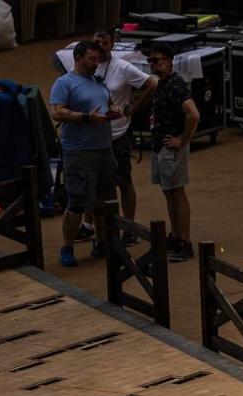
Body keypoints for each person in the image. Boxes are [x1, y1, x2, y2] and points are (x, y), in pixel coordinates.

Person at [74, 29, 157, 248]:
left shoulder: (123, 68)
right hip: (91, 135)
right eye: (96, 42)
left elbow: (152, 84)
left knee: (123, 181)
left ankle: (129, 227)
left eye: (104, 42)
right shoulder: (87, 64)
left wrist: (133, 109)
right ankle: (88, 224)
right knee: (92, 182)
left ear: (112, 45)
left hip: (117, 135)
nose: (99, 46)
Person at [49, 40, 119, 267]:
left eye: (98, 59)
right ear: (78, 58)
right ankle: (67, 247)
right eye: (91, 59)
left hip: (103, 150)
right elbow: (57, 113)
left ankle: (100, 242)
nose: (95, 63)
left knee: (102, 201)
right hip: (79, 152)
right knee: (77, 202)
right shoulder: (65, 83)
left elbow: (107, 105)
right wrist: (86, 118)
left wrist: (113, 111)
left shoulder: (99, 83)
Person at [147, 43, 200, 262]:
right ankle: (176, 236)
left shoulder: (176, 84)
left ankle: (185, 242)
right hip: (161, 145)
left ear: (169, 61)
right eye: (150, 61)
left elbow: (193, 115)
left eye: (157, 60)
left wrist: (183, 140)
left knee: (177, 193)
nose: (153, 64)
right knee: (169, 192)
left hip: (171, 147)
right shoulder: (161, 83)